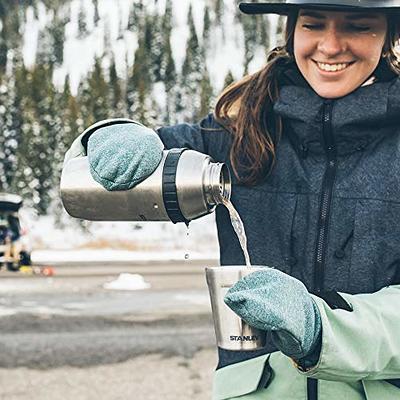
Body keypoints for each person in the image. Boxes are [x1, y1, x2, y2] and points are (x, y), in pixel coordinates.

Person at [63, 0, 400, 399]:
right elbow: (114, 165)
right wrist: (109, 137)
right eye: (312, 25)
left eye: (358, 26)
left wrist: (320, 327)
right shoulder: (239, 134)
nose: (329, 45)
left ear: (389, 37)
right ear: (291, 30)